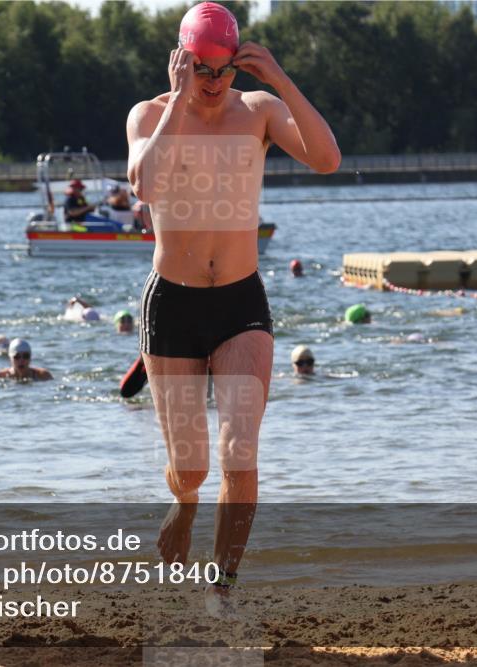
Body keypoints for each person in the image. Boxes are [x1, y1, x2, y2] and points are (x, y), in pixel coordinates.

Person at [126, 1, 340, 617]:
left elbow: (327, 159)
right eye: (201, 69)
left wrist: (279, 80)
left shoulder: (259, 112)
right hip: (172, 305)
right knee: (191, 471)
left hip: (242, 302)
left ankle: (223, 588)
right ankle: (184, 504)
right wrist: (175, 103)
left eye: (223, 70)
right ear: (182, 62)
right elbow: (145, 185)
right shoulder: (150, 115)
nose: (214, 82)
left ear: (237, 65)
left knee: (239, 451)